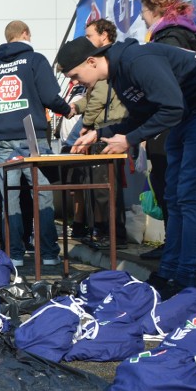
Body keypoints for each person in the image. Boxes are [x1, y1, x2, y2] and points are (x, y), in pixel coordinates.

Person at [59, 33, 196, 298]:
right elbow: (143, 116)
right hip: (185, 117)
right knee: (172, 197)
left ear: (91, 61)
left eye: (74, 75)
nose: (74, 82)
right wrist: (103, 131)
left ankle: (186, 278)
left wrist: (129, 139)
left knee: (190, 197)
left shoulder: (136, 60)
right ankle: (168, 271)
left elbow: (170, 107)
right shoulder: (118, 74)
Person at [0, 20, 73, 267]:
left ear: (8, 38)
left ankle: (15, 254)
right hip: (33, 137)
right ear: (26, 34)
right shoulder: (35, 61)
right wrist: (67, 109)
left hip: (2, 140)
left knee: (11, 198)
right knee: (42, 195)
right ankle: (49, 254)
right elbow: (50, 96)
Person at [138, 0, 196, 261]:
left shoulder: (169, 38)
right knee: (174, 190)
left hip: (178, 120)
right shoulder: (178, 33)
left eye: (143, 11)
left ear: (157, 10)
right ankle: (176, 250)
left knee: (177, 191)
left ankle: (182, 255)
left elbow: (169, 82)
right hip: (181, 118)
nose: (141, 17)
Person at [67, 19, 128, 249]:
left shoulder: (105, 62)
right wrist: (76, 108)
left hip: (107, 128)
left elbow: (99, 97)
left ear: (104, 35)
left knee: (105, 185)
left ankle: (112, 234)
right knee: (98, 185)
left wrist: (88, 124)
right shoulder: (100, 62)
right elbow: (91, 98)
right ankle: (104, 231)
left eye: (90, 35)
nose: (87, 40)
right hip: (104, 128)